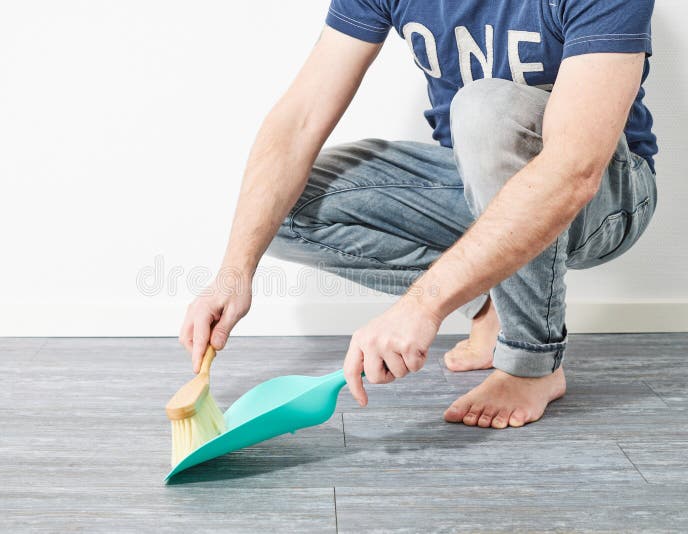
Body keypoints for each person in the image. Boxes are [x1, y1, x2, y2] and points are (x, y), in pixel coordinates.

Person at [179, 0, 658, 429]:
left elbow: (575, 168)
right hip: (475, 186)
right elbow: (298, 119)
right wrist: (233, 271)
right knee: (283, 210)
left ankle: (532, 362)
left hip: (606, 198)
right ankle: (493, 303)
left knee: (482, 108)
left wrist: (422, 303)